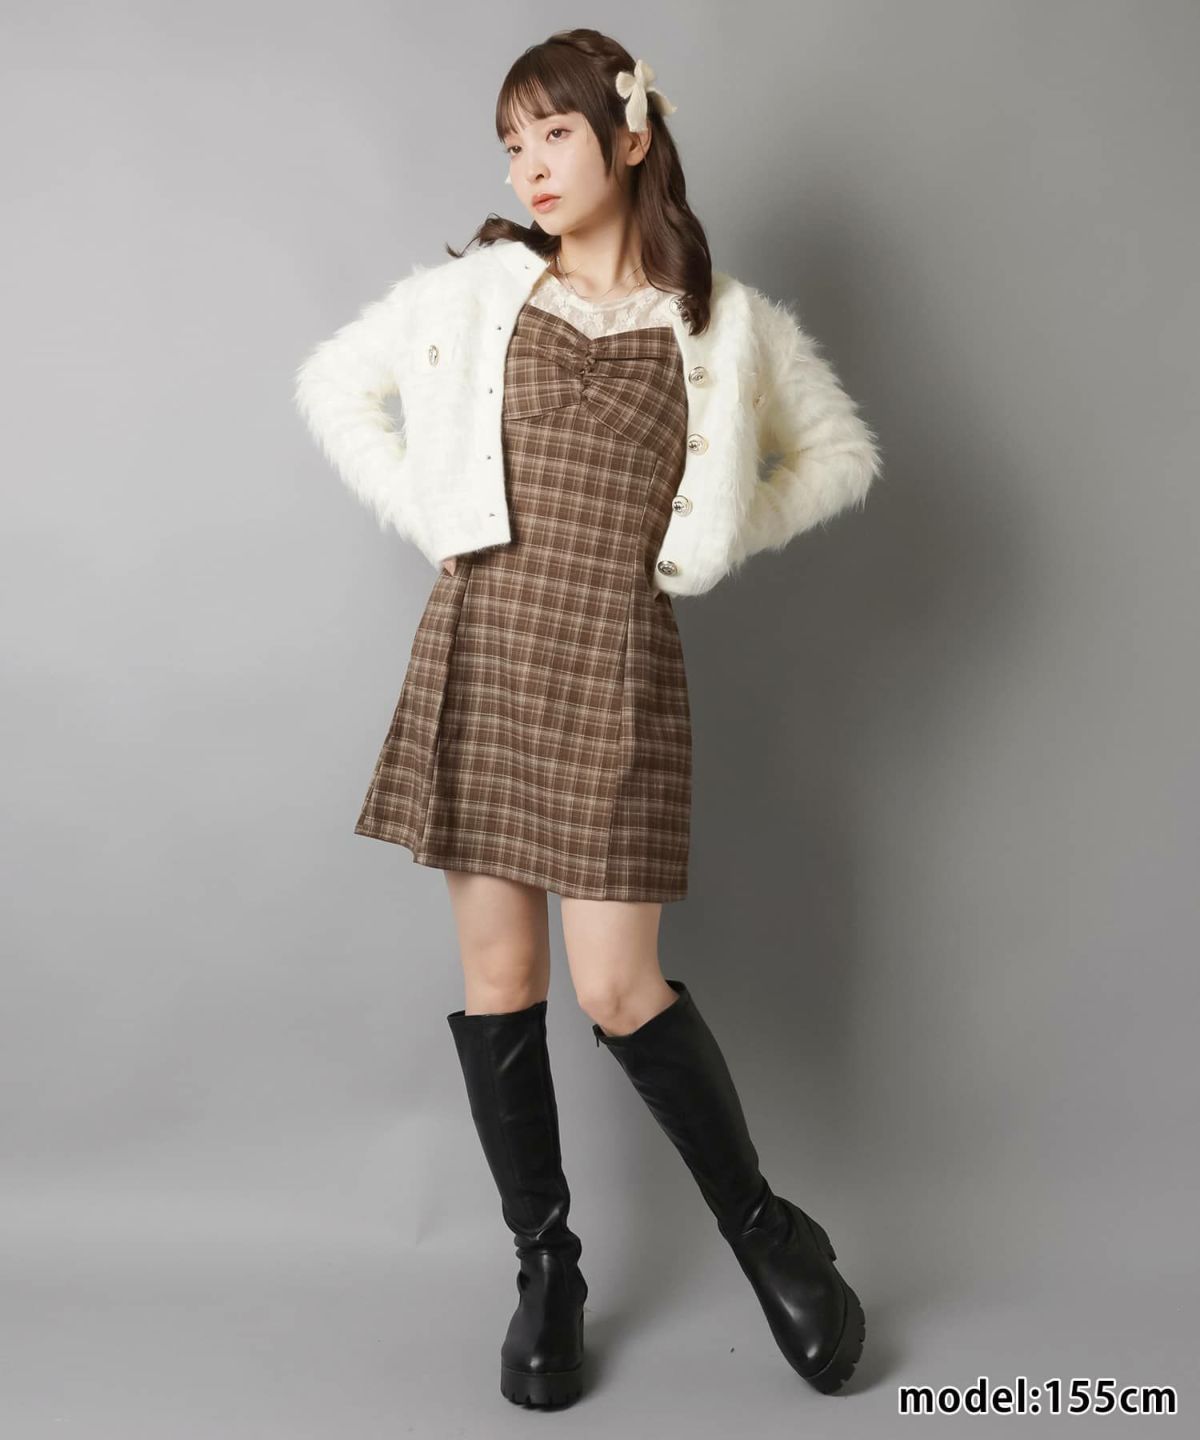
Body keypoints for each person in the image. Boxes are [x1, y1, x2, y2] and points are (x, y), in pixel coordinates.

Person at [294, 27, 880, 1411]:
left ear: (630, 134)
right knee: (503, 981)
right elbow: (335, 386)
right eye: (511, 144)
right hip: (486, 646)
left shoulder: (724, 325)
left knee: (620, 988)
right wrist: (436, 511)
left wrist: (706, 539)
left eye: (552, 133)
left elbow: (836, 453)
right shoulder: (476, 294)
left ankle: (767, 1234)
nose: (529, 167)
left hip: (617, 663)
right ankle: (545, 1270)